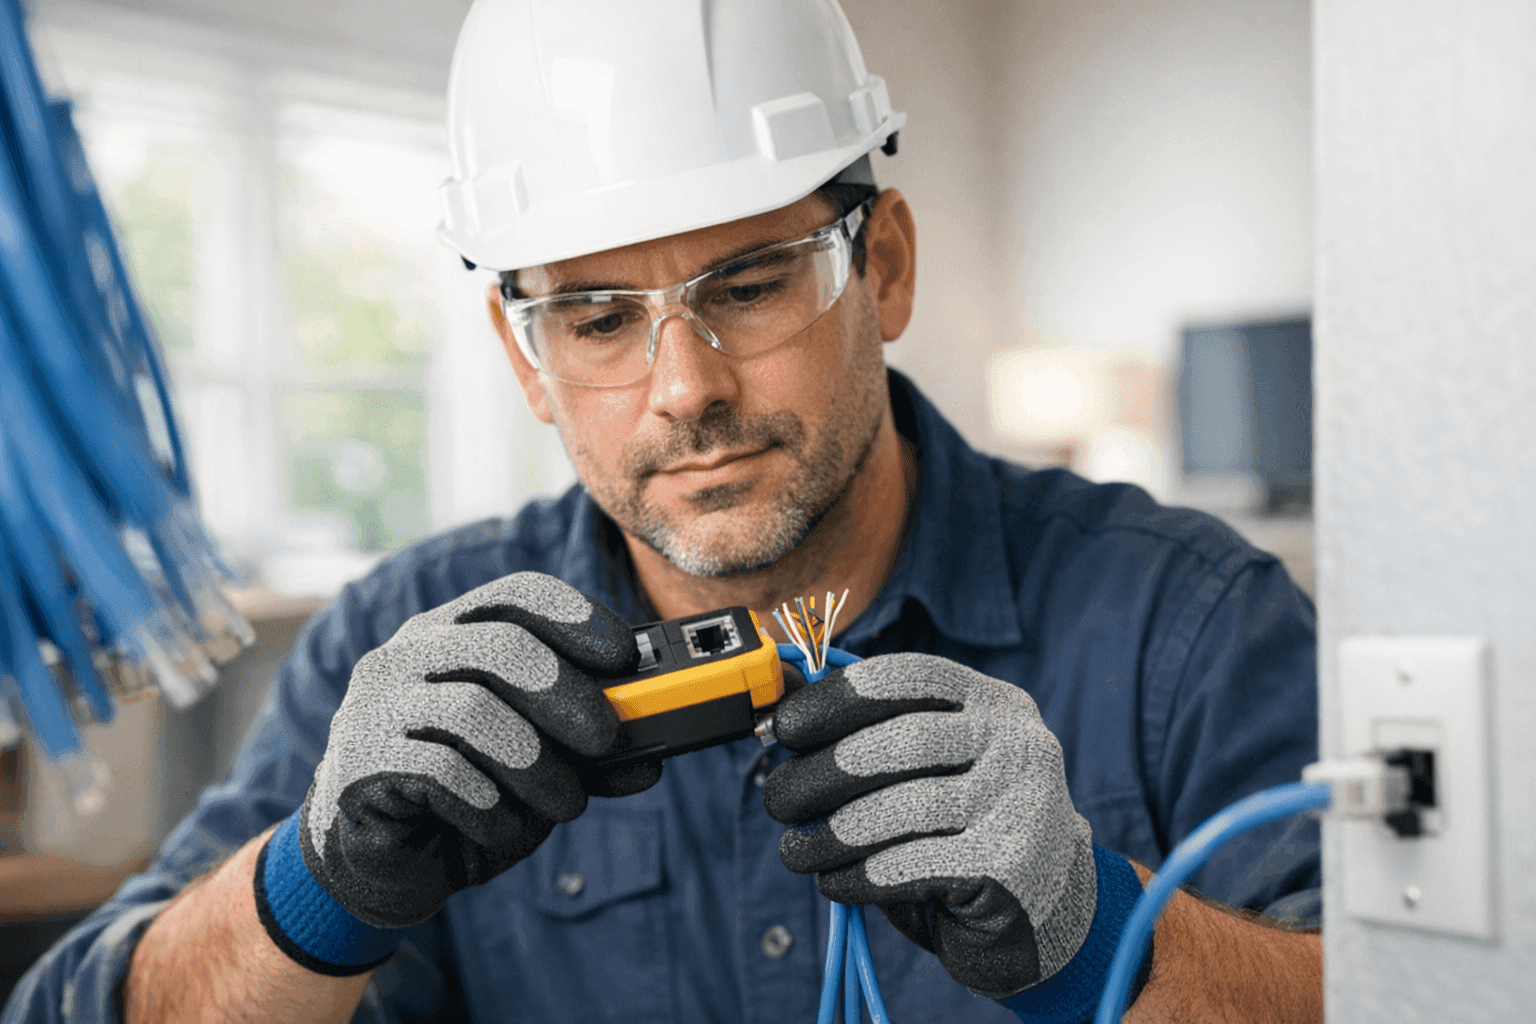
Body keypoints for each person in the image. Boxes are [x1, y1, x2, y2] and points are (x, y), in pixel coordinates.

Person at [3, 1, 1322, 1022]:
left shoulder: (1182, 619)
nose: (685, 388)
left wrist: (1097, 935)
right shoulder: (399, 641)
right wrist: (317, 890)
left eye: (749, 287)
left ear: (890, 269)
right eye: (596, 318)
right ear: (528, 360)